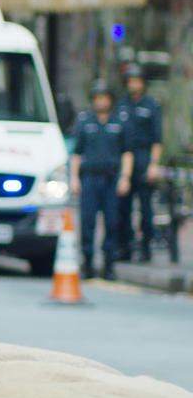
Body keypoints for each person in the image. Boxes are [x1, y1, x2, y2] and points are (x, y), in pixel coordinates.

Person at [70, 80, 133, 281]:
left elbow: (127, 153)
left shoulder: (120, 122)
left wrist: (125, 177)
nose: (101, 102)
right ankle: (87, 262)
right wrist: (74, 178)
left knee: (112, 222)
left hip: (111, 178)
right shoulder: (85, 121)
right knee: (87, 221)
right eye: (97, 98)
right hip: (90, 177)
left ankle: (109, 265)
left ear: (110, 100)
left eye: (104, 98)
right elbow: (76, 153)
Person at [116, 64, 163, 263]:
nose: (133, 84)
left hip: (143, 156)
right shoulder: (122, 105)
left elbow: (157, 139)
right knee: (123, 206)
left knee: (145, 207)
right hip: (126, 157)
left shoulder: (151, 105)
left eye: (137, 80)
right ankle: (125, 246)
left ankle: (145, 247)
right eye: (130, 81)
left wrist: (153, 164)